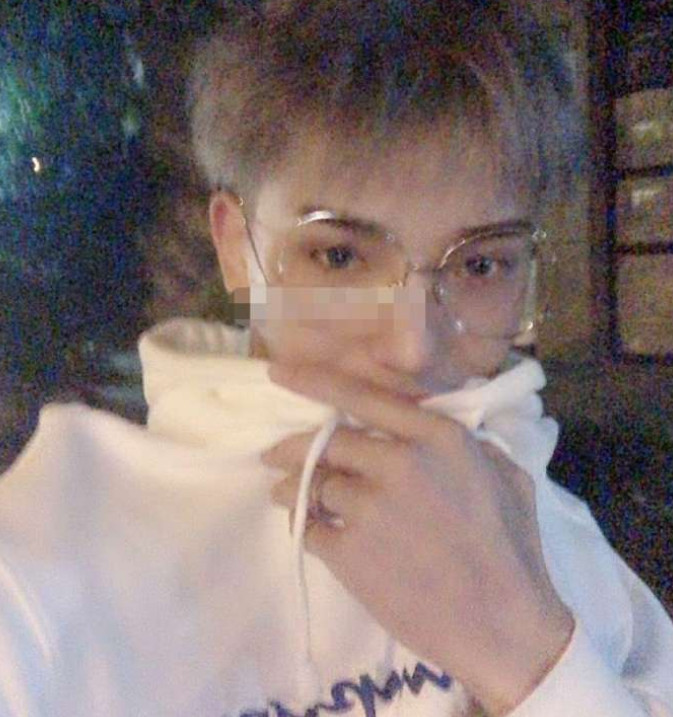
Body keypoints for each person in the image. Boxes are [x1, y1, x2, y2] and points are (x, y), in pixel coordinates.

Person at [1, 1, 672, 716]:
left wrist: (532, 659)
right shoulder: (50, 560)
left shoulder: (543, 510)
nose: (412, 349)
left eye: (480, 264)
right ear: (235, 246)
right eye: (341, 256)